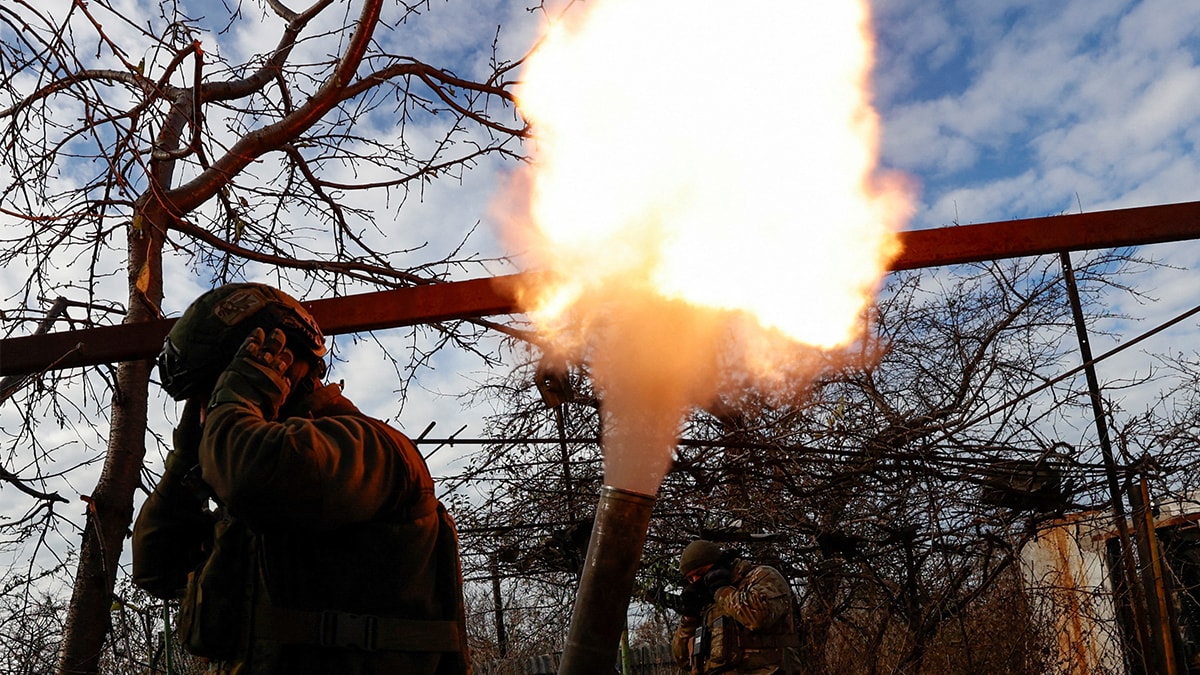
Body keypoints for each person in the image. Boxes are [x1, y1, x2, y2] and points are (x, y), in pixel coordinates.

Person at [132, 282, 470, 674]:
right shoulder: (261, 488)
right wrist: (185, 462)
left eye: (215, 391)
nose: (208, 411)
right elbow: (156, 567)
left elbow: (251, 477)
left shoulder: (367, 446)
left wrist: (238, 403)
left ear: (278, 362)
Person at [672, 540, 800, 675]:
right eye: (690, 579)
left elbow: (758, 618)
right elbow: (683, 660)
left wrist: (721, 591)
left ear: (718, 565)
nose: (696, 581)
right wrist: (689, 619)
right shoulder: (705, 603)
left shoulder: (761, 576)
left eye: (700, 573)